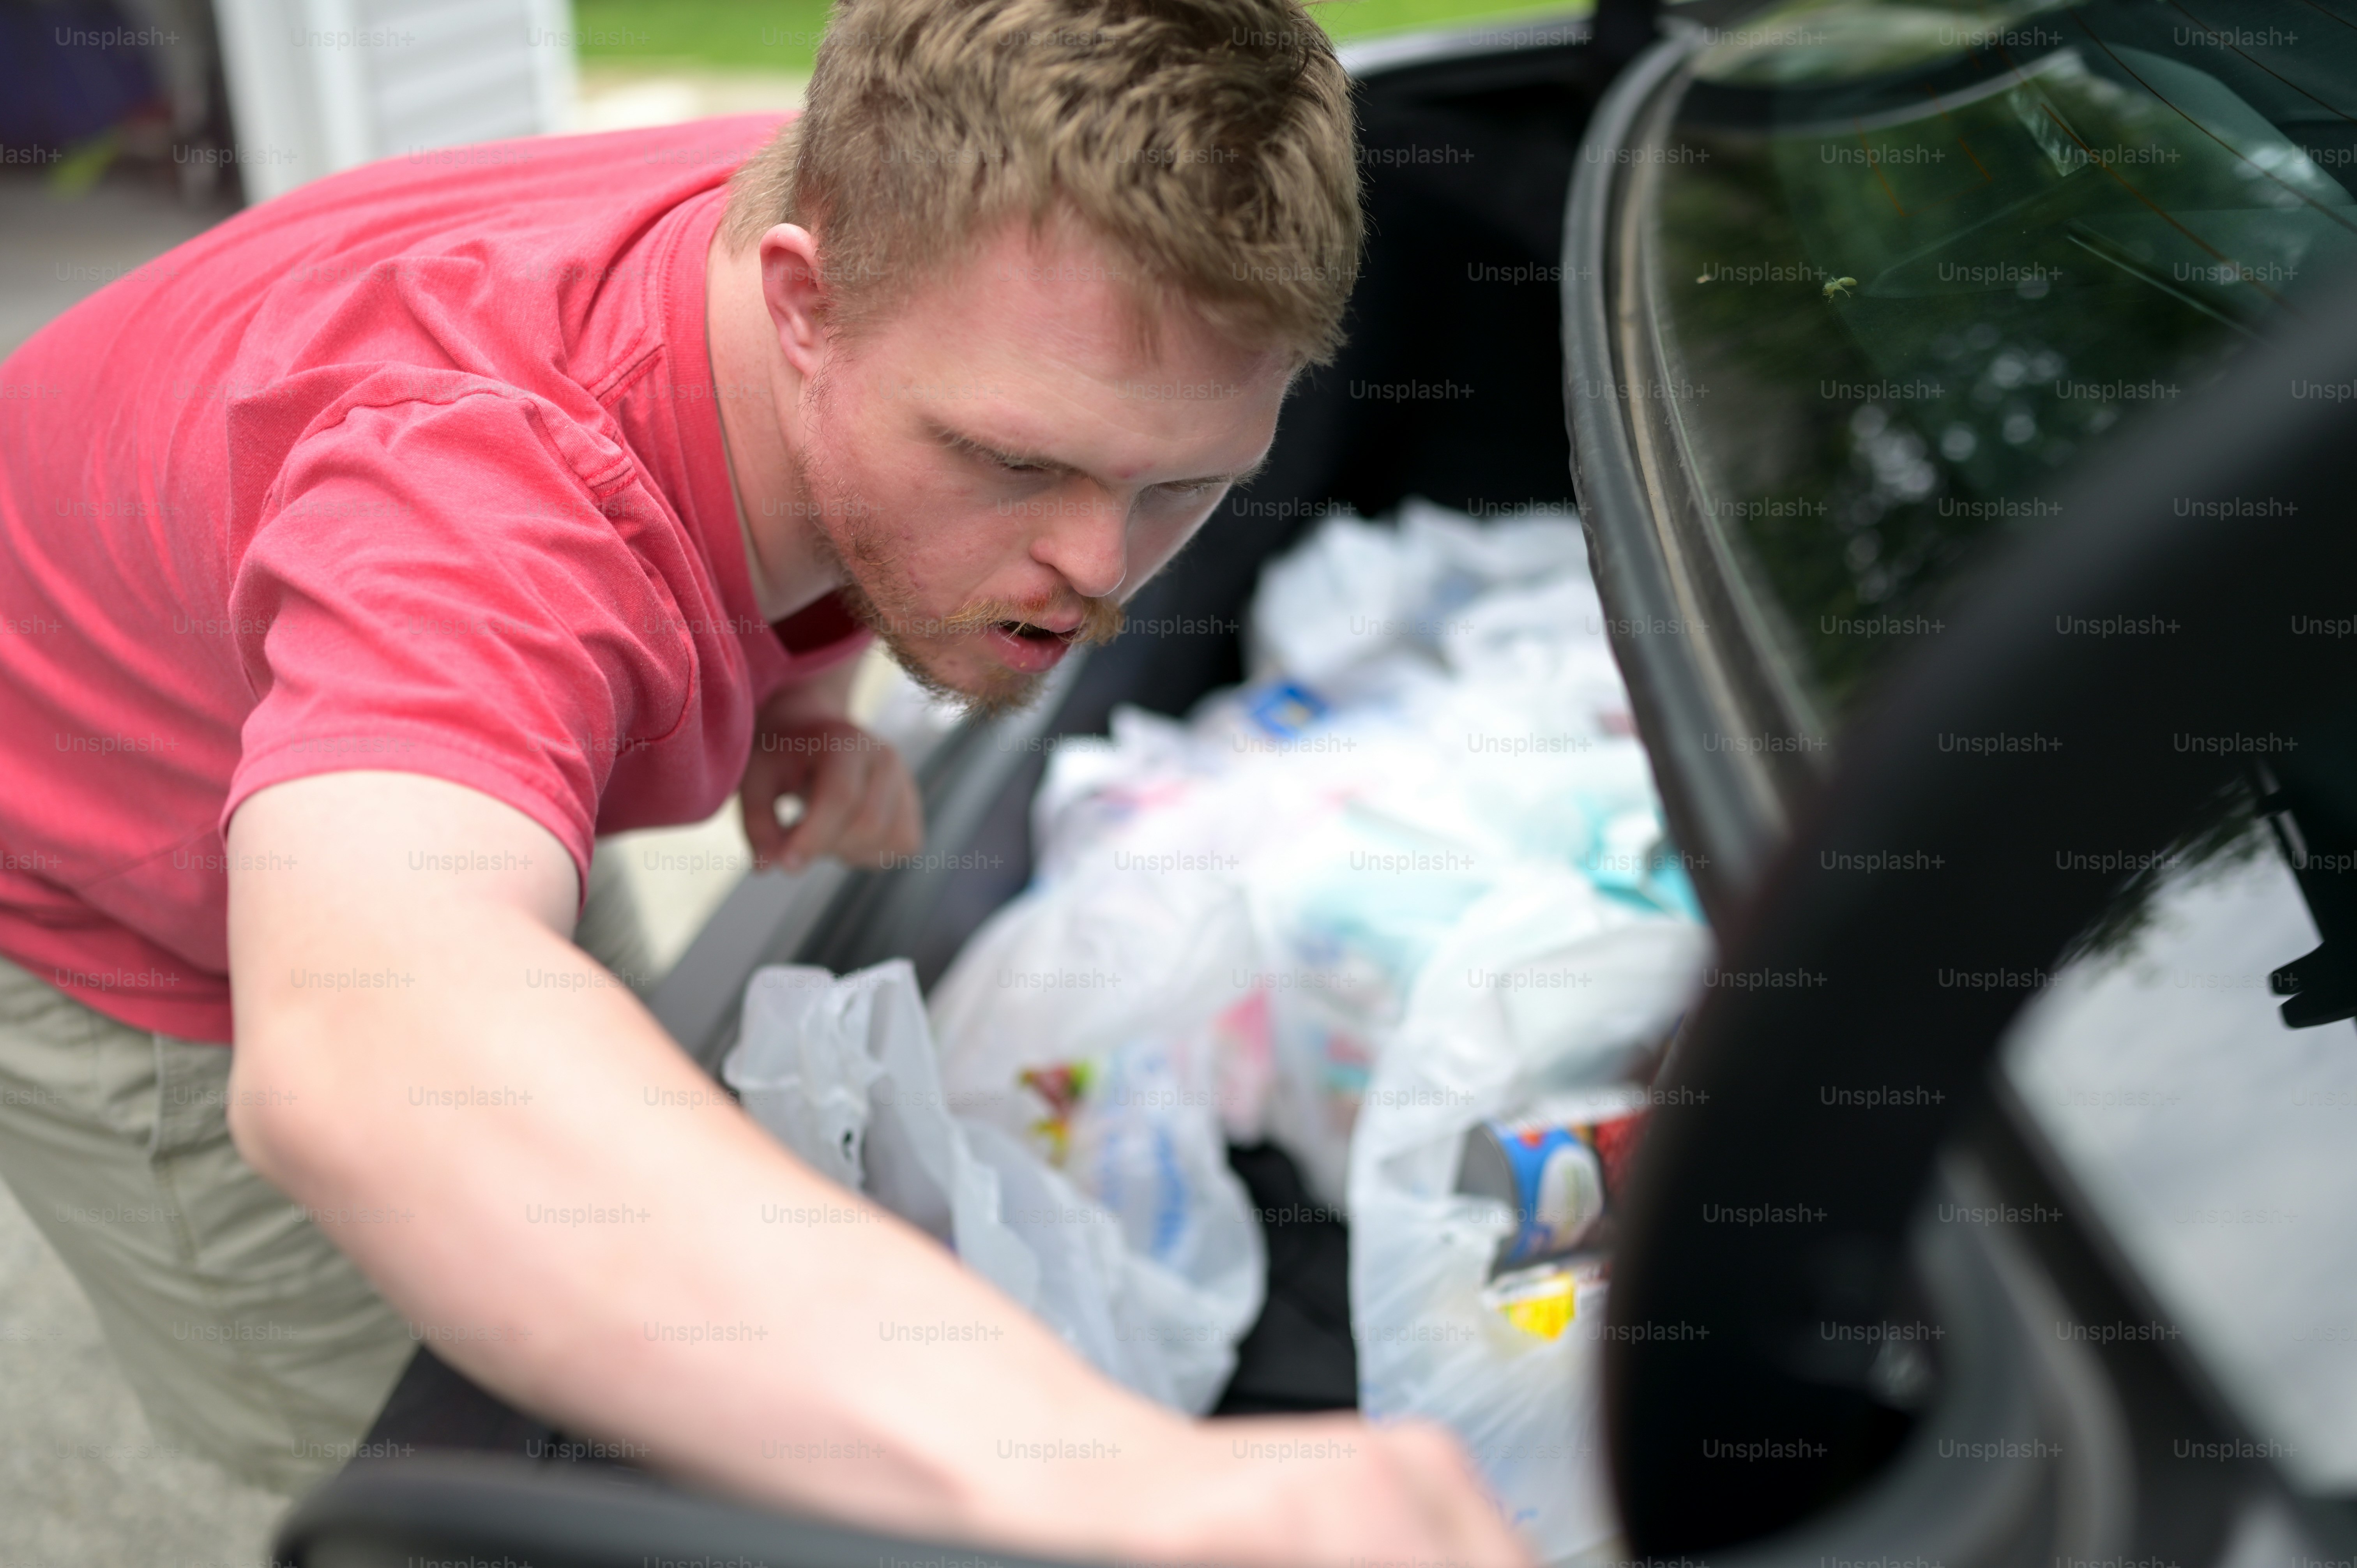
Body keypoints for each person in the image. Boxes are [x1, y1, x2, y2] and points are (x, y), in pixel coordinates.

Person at [0, 0, 1533, 1563]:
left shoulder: (911, 225)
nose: (1098, 573)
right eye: (1014, 464)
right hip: (112, 904)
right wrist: (1111, 1476)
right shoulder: (472, 502)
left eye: (1184, 482)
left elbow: (814, 487)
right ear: (804, 302)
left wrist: (796, 699)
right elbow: (376, 1037)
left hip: (377, 765)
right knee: (462, 1431)